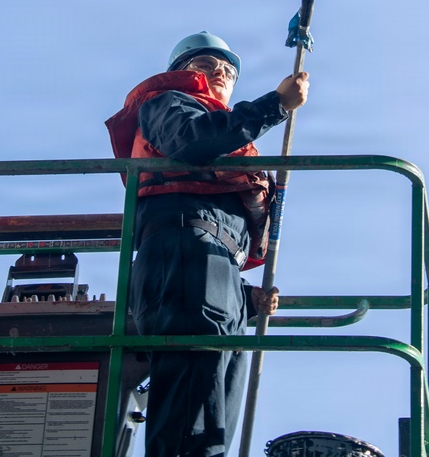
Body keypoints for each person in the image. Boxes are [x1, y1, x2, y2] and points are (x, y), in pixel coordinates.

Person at [105, 31, 309, 457]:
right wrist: (275, 106)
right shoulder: (167, 103)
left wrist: (244, 297)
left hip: (212, 271)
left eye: (229, 70)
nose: (220, 72)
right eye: (206, 64)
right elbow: (193, 141)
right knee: (191, 403)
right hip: (186, 254)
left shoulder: (221, 127)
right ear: (180, 72)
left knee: (213, 412)